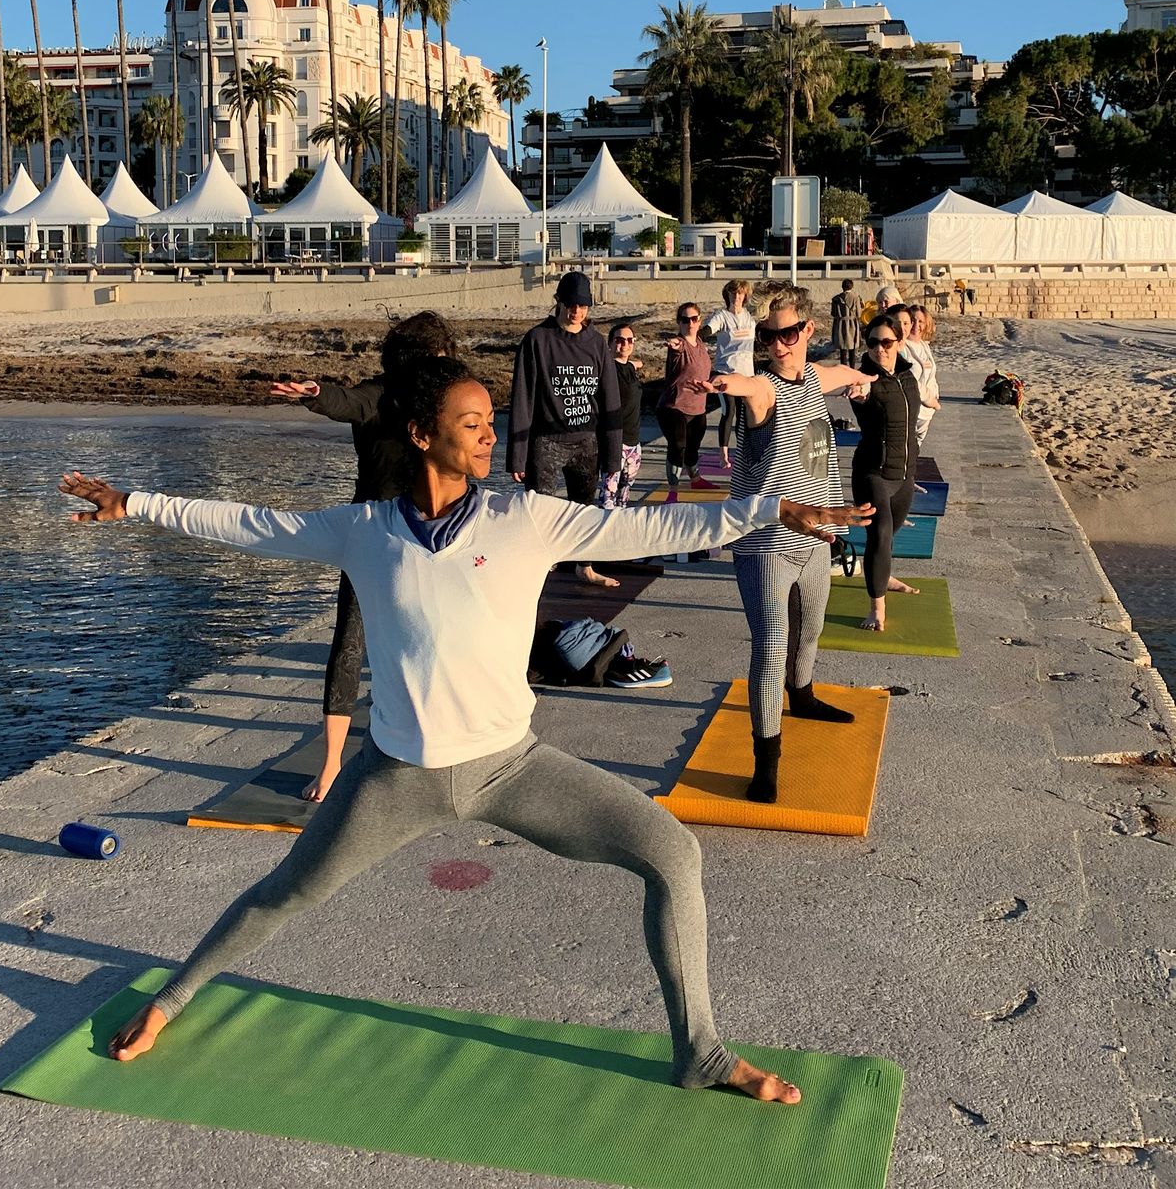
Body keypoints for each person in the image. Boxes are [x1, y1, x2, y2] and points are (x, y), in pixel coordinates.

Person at [60, 356, 873, 1104]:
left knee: (674, 853)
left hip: (512, 768)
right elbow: (253, 523)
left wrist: (767, 508)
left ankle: (699, 1052)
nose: (491, 434)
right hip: (395, 779)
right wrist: (135, 502)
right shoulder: (366, 530)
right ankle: (170, 1001)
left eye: (492, 420)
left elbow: (655, 529)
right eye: (473, 421)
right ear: (422, 433)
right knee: (285, 893)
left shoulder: (527, 518)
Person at [268, 311, 460, 801]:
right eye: (433, 361)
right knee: (350, 640)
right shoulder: (381, 394)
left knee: (437, 637)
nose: (441, 369)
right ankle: (331, 764)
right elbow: (347, 402)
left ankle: (438, 741)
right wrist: (316, 396)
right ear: (410, 359)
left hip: (434, 531)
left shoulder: (440, 399)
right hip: (373, 533)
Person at [700, 282, 877, 804]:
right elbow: (744, 386)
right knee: (771, 647)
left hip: (818, 535)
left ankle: (802, 698)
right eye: (769, 336)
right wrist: (721, 383)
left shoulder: (817, 379)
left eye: (789, 332)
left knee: (812, 628)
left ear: (809, 329)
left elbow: (842, 374)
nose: (779, 344)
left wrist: (864, 380)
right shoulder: (765, 388)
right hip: (767, 542)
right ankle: (766, 760)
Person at [508, 270, 622, 588]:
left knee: (584, 510)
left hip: (587, 439)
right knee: (539, 509)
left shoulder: (597, 344)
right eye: (571, 304)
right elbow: (522, 397)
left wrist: (614, 458)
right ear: (559, 302)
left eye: (583, 306)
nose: (577, 311)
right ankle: (535, 567)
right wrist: (517, 457)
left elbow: (610, 398)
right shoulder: (537, 340)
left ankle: (583, 566)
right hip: (547, 440)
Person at [851, 314, 922, 632]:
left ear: (900, 342)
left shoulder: (908, 377)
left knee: (888, 538)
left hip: (905, 474)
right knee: (878, 535)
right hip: (873, 473)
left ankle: (884, 575)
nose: (879, 349)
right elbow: (860, 397)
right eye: (873, 343)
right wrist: (859, 395)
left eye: (886, 342)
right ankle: (876, 609)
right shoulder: (863, 378)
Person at [657, 301, 714, 493]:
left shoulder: (701, 345)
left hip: (698, 407)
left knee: (693, 447)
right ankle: (673, 490)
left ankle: (695, 479)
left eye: (693, 319)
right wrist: (673, 344)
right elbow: (676, 346)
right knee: (678, 445)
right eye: (684, 319)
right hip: (674, 407)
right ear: (679, 322)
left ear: (699, 321)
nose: (689, 323)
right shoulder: (680, 344)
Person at [700, 280, 756, 470]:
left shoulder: (750, 317)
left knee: (744, 414)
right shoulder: (722, 316)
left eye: (740, 294)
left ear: (745, 296)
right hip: (725, 372)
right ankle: (723, 453)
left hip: (747, 374)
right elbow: (708, 330)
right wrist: (697, 336)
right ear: (728, 296)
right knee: (729, 409)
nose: (736, 297)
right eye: (733, 293)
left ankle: (742, 452)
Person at [596, 321, 644, 510]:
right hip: (615, 440)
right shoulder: (607, 369)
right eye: (619, 340)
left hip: (634, 442)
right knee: (608, 495)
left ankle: (620, 532)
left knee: (624, 496)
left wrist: (635, 363)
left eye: (629, 340)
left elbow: (631, 363)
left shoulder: (630, 368)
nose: (625, 344)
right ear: (610, 343)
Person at [904, 304, 940, 446]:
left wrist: (935, 393)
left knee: (916, 447)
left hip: (927, 411)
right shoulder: (902, 347)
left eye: (920, 321)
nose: (916, 325)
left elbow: (931, 374)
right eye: (912, 320)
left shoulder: (924, 346)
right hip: (912, 409)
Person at [830, 278, 862, 369]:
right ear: (852, 286)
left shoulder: (836, 298)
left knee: (842, 349)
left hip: (840, 324)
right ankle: (852, 368)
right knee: (852, 348)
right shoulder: (856, 298)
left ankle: (843, 369)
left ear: (842, 287)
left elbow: (833, 313)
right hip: (852, 324)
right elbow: (859, 314)